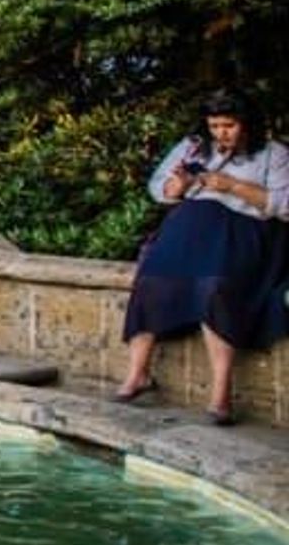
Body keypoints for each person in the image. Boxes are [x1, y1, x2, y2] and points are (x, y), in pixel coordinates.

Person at [115, 89, 289, 425]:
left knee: (214, 288)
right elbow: (160, 189)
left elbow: (285, 205)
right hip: (190, 228)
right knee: (151, 282)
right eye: (215, 126)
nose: (221, 133)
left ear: (246, 124)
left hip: (243, 232)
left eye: (229, 125)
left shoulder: (274, 153)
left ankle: (220, 394)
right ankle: (137, 374)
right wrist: (176, 187)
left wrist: (232, 186)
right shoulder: (193, 146)